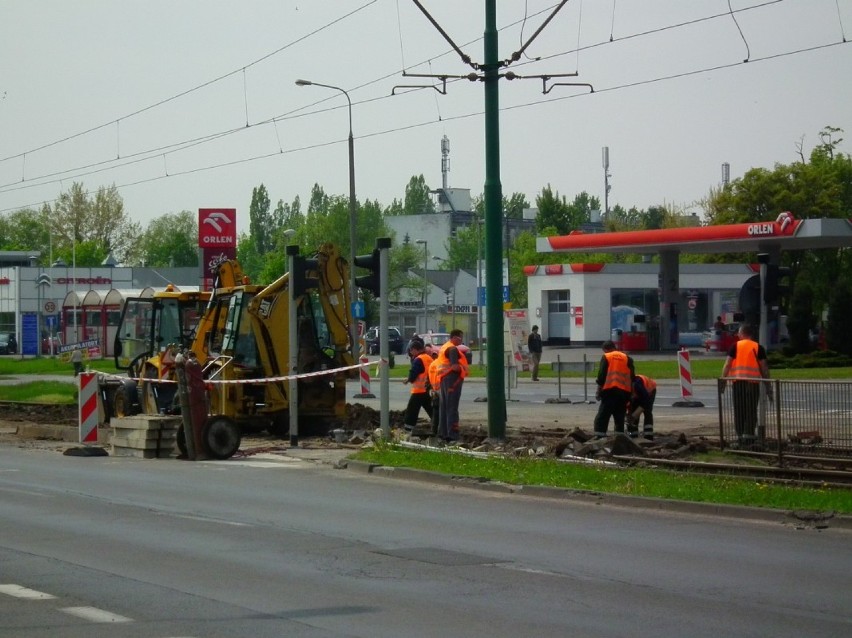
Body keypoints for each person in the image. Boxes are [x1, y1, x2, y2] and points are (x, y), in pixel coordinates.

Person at [721, 323, 771, 448]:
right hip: (753, 383)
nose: (737, 335)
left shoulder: (735, 346)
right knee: (751, 409)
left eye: (738, 333)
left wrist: (723, 380)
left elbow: (727, 364)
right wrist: (768, 385)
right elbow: (764, 368)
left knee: (739, 409)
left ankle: (739, 436)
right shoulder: (758, 347)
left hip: (737, 383)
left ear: (742, 333)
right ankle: (748, 434)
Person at [593, 340, 635, 439]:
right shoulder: (627, 358)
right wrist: (631, 394)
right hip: (624, 392)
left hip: (610, 390)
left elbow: (602, 376)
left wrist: (599, 390)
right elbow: (632, 377)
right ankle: (619, 437)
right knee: (619, 415)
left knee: (603, 415)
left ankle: (600, 436)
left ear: (606, 349)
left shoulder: (607, 357)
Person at [435, 329, 468, 441]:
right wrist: (462, 368)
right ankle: (452, 435)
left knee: (445, 406)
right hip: (452, 380)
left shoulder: (444, 347)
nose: (461, 340)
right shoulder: (452, 349)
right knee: (452, 407)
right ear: (455, 337)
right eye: (461, 338)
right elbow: (454, 366)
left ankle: (443, 433)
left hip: (445, 379)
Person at [401, 339, 433, 432]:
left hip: (419, 390)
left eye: (411, 350)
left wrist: (409, 379)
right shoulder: (428, 357)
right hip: (428, 388)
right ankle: (438, 424)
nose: (411, 352)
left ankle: (408, 428)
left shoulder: (418, 359)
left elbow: (414, 373)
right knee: (430, 408)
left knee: (412, 410)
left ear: (415, 349)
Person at [627, 374, 657, 439]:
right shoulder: (625, 389)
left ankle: (648, 435)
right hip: (638, 394)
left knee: (647, 411)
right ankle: (633, 435)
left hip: (650, 391)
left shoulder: (638, 385)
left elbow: (646, 400)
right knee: (633, 413)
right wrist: (630, 414)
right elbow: (628, 404)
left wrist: (636, 413)